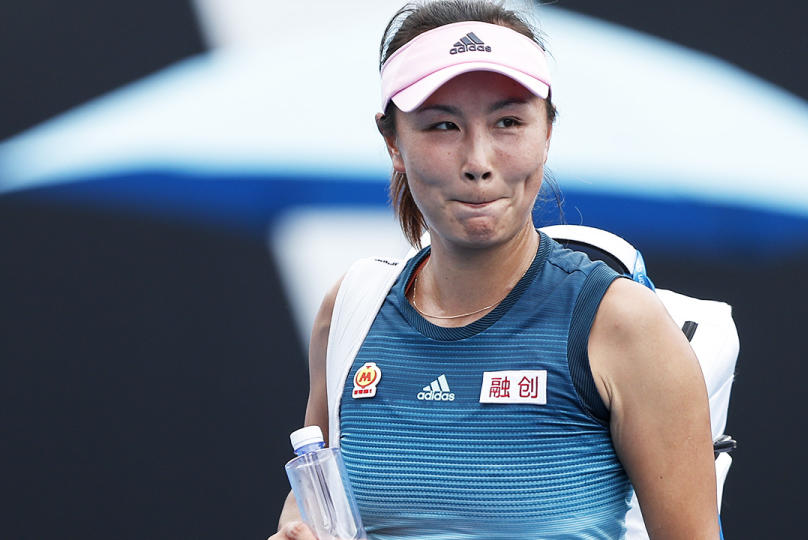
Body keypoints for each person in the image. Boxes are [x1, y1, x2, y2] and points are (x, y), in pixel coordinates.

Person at [270, 1, 720, 539]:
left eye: (508, 122)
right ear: (393, 141)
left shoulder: (623, 324)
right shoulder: (349, 311)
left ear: (547, 131)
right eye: (442, 125)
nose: (478, 161)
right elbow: (311, 504)